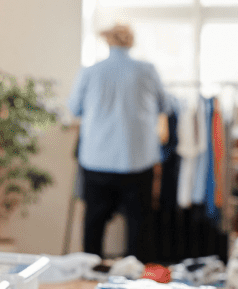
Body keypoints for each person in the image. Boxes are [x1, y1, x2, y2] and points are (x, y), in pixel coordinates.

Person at [68, 23, 169, 259]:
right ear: (130, 42)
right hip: (137, 160)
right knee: (138, 226)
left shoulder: (90, 72)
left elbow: (74, 108)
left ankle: (90, 275)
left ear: (108, 42)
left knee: (94, 222)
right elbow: (164, 106)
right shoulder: (147, 70)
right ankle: (135, 281)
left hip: (97, 159)